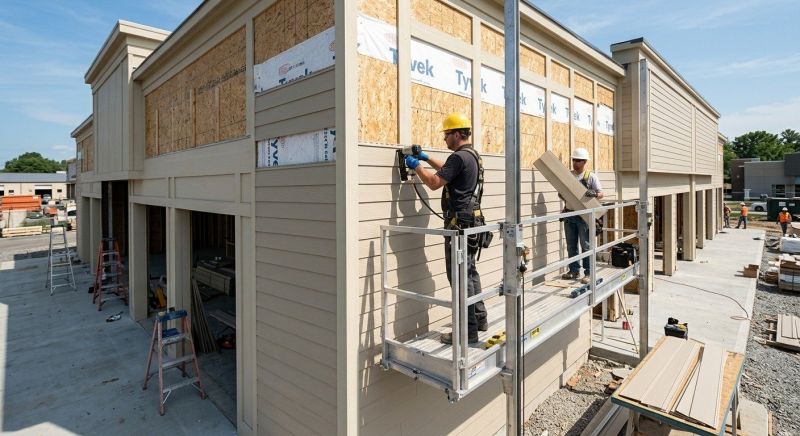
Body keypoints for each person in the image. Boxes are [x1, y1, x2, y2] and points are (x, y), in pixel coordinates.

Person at [404, 113, 487, 344]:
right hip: (471, 222)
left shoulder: (459, 157)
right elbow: (449, 170)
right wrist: (427, 158)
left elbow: (434, 183)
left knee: (460, 277)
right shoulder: (471, 155)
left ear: (458, 134)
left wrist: (416, 166)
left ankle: (467, 332)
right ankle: (480, 319)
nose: (445, 139)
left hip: (459, 226)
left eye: (447, 134)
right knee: (470, 273)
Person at [561, 148, 604, 284]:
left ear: (585, 161)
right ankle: (574, 270)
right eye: (574, 160)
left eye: (578, 160)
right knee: (571, 245)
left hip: (584, 217)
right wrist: (561, 194)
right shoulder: (568, 175)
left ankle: (589, 273)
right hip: (570, 214)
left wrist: (595, 194)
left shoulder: (590, 177)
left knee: (585, 245)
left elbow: (602, 194)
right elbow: (563, 191)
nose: (575, 162)